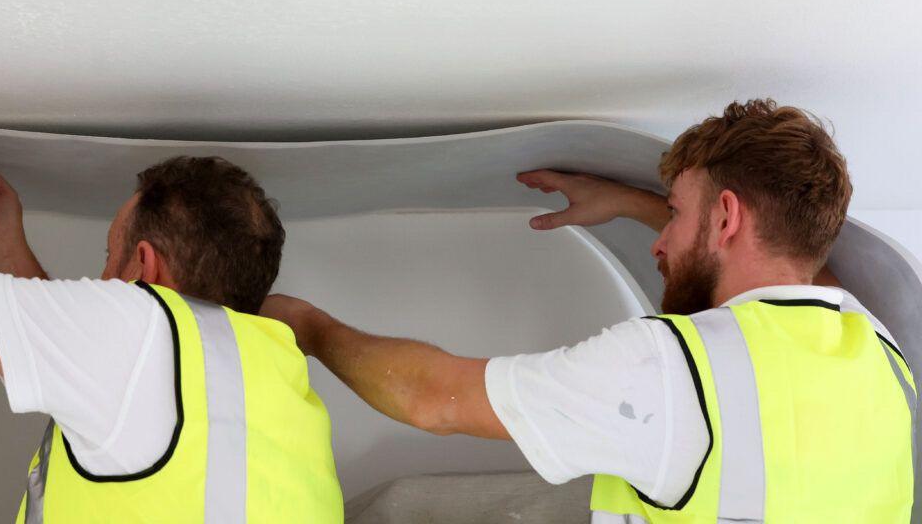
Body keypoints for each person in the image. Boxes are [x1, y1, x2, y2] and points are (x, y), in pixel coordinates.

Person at [263, 99, 917, 522]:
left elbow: (432, 399)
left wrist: (311, 328)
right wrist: (628, 202)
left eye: (678, 215)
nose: (660, 241)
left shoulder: (675, 369)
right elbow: (797, 267)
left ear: (726, 218)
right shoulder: (879, 352)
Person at [0, 119, 343, 523]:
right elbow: (113, 379)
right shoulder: (272, 369)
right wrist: (5, 254)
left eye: (109, 256)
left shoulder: (147, 330)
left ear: (146, 265)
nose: (102, 277)